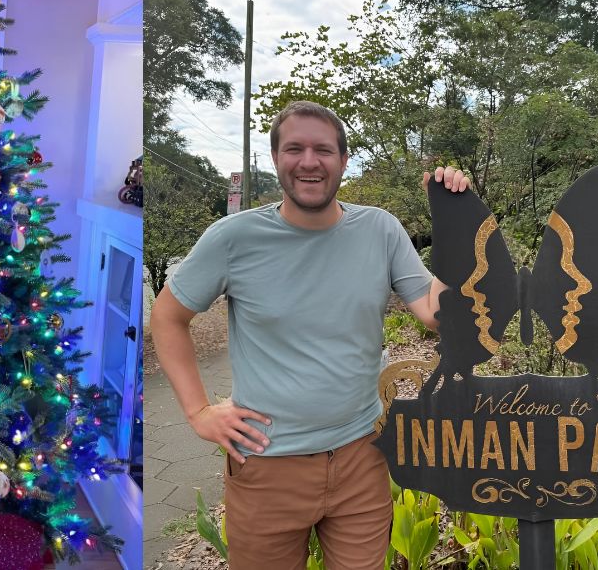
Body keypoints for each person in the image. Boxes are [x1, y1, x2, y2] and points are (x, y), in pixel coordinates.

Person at [150, 100, 468, 569]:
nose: (309, 161)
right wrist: (198, 411)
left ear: (342, 160)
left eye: (323, 149)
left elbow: (435, 314)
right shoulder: (233, 238)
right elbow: (167, 317)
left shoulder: (379, 229)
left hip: (362, 457)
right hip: (267, 466)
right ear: (276, 159)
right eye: (294, 148)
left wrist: (455, 224)